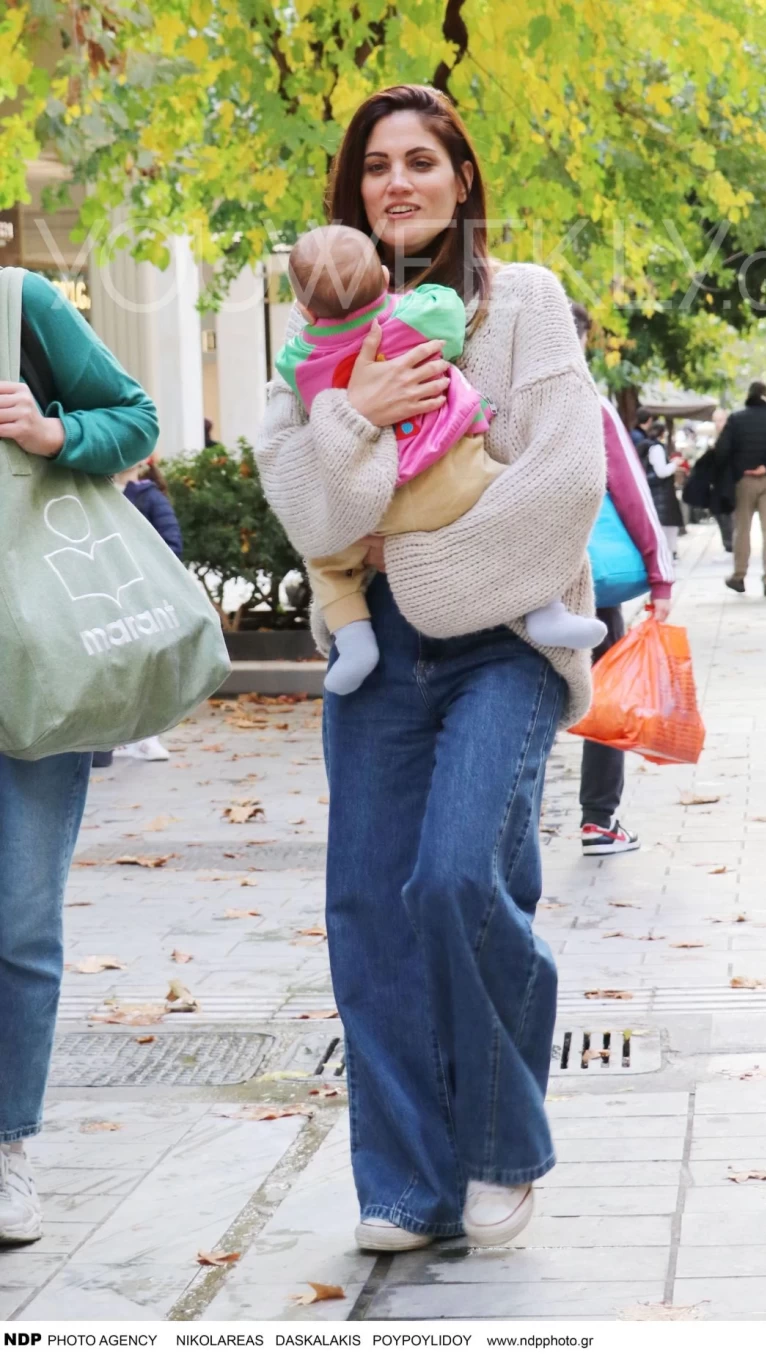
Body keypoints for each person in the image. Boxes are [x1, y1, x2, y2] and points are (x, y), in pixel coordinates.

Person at [256, 84, 605, 1251]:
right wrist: (352, 417)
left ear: (461, 181)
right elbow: (310, 513)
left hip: (504, 641)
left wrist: (407, 549)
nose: (396, 181)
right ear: (351, 191)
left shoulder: (527, 304)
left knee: (458, 878)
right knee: (368, 909)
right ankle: (404, 1182)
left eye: (420, 161)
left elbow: (559, 483)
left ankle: (503, 1144)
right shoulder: (312, 336)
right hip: (375, 662)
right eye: (374, 167)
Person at [276, 225, 605, 695]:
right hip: (452, 478)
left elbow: (298, 392)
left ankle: (353, 638)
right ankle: (547, 610)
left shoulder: (304, 358)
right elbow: (449, 324)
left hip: (377, 505)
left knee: (327, 563)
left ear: (306, 310)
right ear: (385, 276)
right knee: (516, 500)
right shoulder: (410, 316)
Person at [0, 270, 158, 1245]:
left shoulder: (20, 304)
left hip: (32, 655)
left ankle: (8, 1144)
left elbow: (132, 419)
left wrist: (54, 433)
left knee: (17, 916)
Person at [569, 304, 674, 856]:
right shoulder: (590, 406)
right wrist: (660, 578)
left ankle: (499, 828)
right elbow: (632, 495)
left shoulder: (486, 397)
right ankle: (597, 821)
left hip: (507, 582)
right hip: (586, 584)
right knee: (605, 698)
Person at [108, 455, 184, 761]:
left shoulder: (150, 497)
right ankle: (115, 736)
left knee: (144, 669)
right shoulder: (99, 491)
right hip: (105, 597)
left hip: (140, 597)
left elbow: (171, 545)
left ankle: (146, 737)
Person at [715, 380, 766, 596]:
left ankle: (739, 576)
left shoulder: (736, 419)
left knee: (742, 529)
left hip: (744, 480)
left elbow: (722, 449)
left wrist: (733, 470)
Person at [636, 420, 682, 561]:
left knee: (665, 524)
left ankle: (669, 553)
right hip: (661, 492)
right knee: (667, 525)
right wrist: (675, 464)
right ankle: (669, 553)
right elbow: (661, 472)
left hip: (657, 491)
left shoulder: (648, 446)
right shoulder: (656, 448)